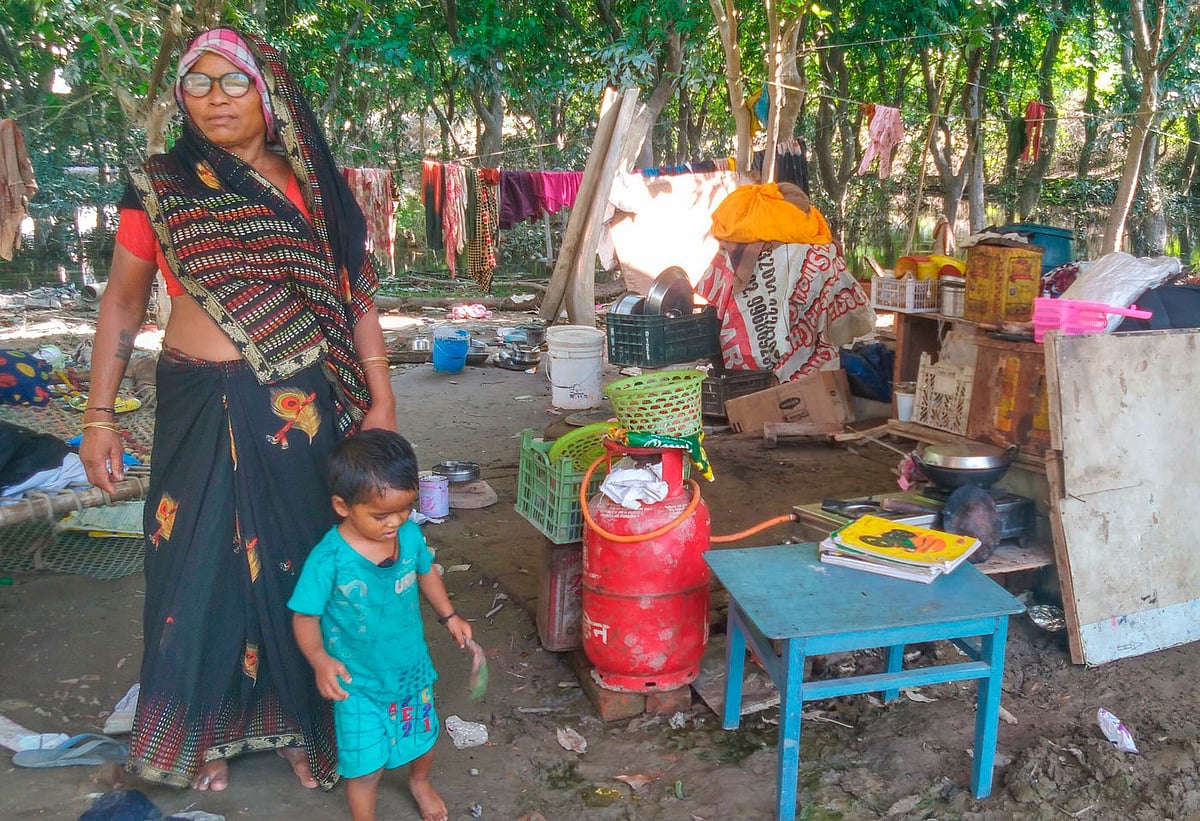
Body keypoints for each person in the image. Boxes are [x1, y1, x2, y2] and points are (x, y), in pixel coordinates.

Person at [79, 28, 396, 792]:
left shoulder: (313, 187)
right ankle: (204, 732)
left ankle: (299, 723)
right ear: (178, 97)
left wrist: (381, 397)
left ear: (268, 91)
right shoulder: (162, 183)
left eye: (233, 82)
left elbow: (352, 302)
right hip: (193, 396)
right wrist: (97, 414)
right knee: (190, 565)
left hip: (297, 404)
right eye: (198, 83)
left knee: (299, 557)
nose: (215, 99)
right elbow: (123, 301)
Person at [289, 429, 471, 821]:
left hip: (410, 671)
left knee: (424, 741)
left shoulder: (409, 533)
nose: (395, 522)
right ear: (343, 506)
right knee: (365, 766)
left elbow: (426, 573)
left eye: (405, 508)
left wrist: (449, 616)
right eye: (380, 515)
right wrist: (320, 659)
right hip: (357, 684)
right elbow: (304, 616)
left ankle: (419, 782)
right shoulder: (329, 560)